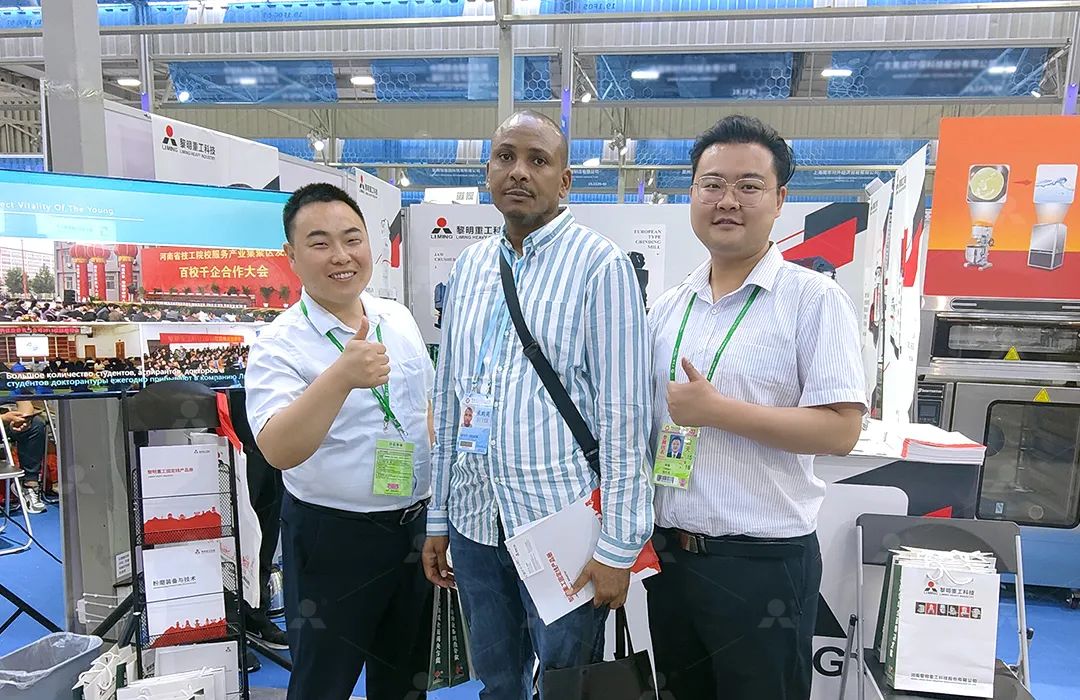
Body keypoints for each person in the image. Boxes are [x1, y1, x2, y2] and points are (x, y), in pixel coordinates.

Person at [422, 110, 653, 699]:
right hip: (475, 520)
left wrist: (618, 546)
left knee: (565, 683)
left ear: (565, 180)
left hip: (562, 526)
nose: (518, 172)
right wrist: (439, 516)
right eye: (505, 157)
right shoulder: (470, 268)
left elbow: (625, 417)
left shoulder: (600, 266)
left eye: (537, 160)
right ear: (488, 171)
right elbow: (449, 400)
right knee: (497, 681)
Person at [644, 115, 866, 700]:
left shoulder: (813, 300)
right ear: (692, 193)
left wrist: (720, 411)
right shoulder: (668, 308)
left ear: (779, 199)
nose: (727, 201)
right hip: (670, 556)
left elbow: (841, 431)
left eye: (748, 186)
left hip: (763, 564)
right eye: (712, 184)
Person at [245, 182, 434, 700]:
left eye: (352, 239)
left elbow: (425, 410)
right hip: (332, 540)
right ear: (291, 256)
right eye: (320, 242)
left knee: (406, 682)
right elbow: (278, 449)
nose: (341, 256)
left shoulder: (397, 318)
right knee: (322, 683)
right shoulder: (278, 343)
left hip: (413, 531)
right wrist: (340, 377)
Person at [1, 401, 48, 514]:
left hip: (6, 421)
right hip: (3, 419)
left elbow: (24, 401)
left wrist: (23, 420)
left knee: (36, 424)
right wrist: (3, 418)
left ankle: (28, 485)